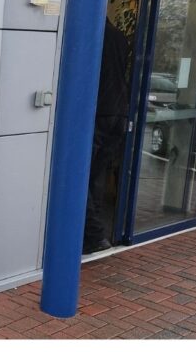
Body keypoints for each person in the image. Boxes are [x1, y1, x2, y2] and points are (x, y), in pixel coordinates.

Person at [83, 18, 130, 255]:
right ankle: (94, 234)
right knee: (97, 177)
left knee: (82, 177)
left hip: (98, 112)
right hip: (119, 112)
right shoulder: (120, 37)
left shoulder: (91, 36)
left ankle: (93, 236)